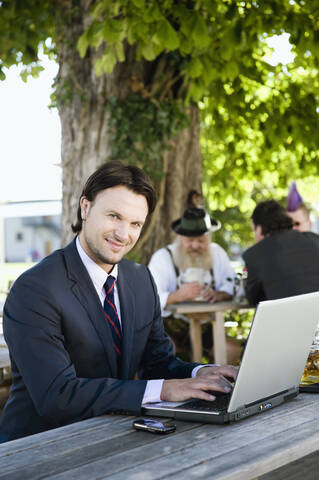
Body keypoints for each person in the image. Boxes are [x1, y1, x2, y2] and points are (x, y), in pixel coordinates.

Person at [0, 161, 237, 442]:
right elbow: (57, 396)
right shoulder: (35, 289)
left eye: (135, 223)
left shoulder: (141, 280)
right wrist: (164, 390)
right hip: (39, 447)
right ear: (85, 208)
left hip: (115, 434)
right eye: (114, 216)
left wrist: (205, 373)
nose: (124, 234)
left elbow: (159, 364)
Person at [148, 206, 239, 361]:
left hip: (208, 326)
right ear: (179, 237)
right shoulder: (163, 257)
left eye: (201, 240)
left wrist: (220, 294)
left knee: (232, 349)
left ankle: (217, 384)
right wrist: (178, 295)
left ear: (208, 237)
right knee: (163, 349)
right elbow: (149, 300)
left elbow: (233, 283)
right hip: (171, 328)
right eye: (190, 240)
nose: (196, 246)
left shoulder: (217, 253)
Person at [242, 199, 319, 306]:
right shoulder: (314, 240)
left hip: (287, 318)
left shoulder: (254, 254)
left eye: (253, 230)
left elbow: (253, 298)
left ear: (259, 229)